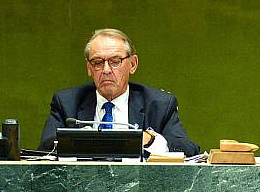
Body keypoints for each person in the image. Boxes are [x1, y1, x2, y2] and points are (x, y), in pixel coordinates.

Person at [39, 28, 200, 156]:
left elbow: (188, 150)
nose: (106, 70)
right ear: (89, 68)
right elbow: (44, 149)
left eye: (115, 62)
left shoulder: (159, 104)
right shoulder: (67, 102)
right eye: (98, 62)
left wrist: (148, 140)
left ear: (133, 64)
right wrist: (76, 140)